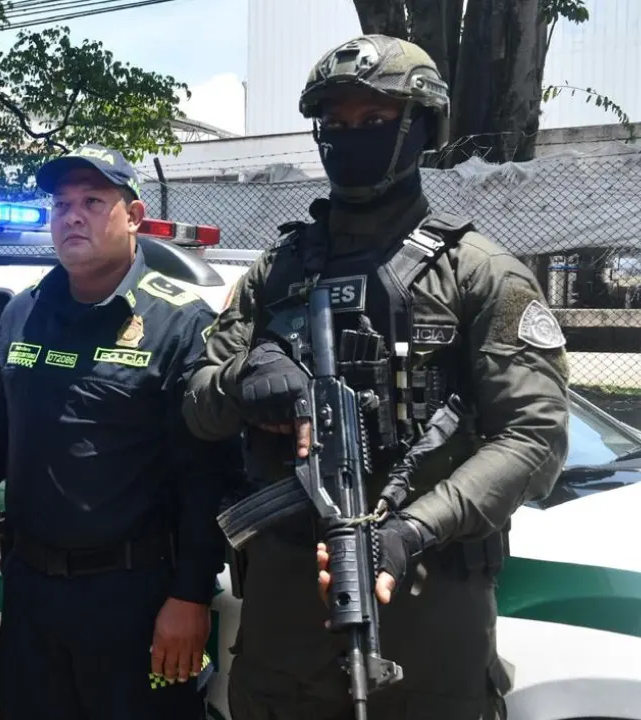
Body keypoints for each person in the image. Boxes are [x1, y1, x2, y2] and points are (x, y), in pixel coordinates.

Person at [181, 35, 571, 720]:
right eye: (335, 123)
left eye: (374, 121)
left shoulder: (477, 272)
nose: (349, 137)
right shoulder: (276, 273)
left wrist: (413, 529)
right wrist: (248, 378)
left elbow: (534, 438)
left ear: (421, 128)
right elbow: (197, 403)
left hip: (426, 604)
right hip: (284, 616)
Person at [0, 144, 239, 720]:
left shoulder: (180, 323)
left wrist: (191, 594)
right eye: (62, 203)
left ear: (135, 216)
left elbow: (207, 474)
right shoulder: (23, 311)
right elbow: (1, 433)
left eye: (93, 201)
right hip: (30, 594)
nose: (72, 215)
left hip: (133, 598)